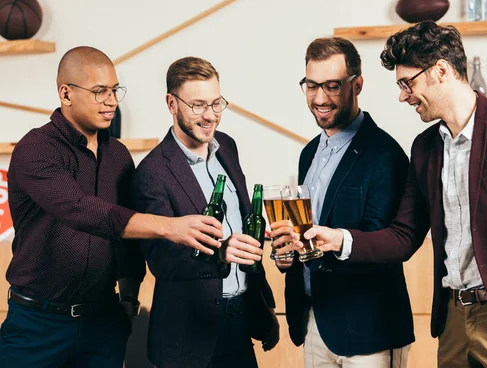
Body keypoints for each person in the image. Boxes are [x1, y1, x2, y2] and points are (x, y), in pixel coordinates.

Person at [302, 22, 487, 367]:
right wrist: (339, 240)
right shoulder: (425, 148)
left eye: (408, 82)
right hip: (453, 320)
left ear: (441, 71)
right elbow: (403, 236)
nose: (403, 95)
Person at [0, 46, 225, 367]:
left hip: (103, 322)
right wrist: (169, 226)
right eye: (99, 92)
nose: (111, 101)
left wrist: (129, 298)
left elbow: (126, 243)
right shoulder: (36, 149)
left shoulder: (118, 155)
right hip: (38, 324)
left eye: (114, 90)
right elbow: (80, 210)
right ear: (66, 93)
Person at [269, 37, 413, 368]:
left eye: (332, 86)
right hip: (315, 321)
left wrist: (327, 241)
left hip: (368, 329)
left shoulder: (385, 154)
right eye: (311, 86)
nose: (320, 98)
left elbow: (383, 242)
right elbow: (308, 233)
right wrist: (287, 253)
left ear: (357, 84)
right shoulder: (309, 153)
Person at [131, 56, 279, 368]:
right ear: (172, 104)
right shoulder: (152, 172)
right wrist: (220, 253)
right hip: (188, 337)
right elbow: (163, 261)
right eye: (198, 105)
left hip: (240, 321)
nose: (210, 115)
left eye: (216, 103)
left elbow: (244, 222)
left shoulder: (227, 146)